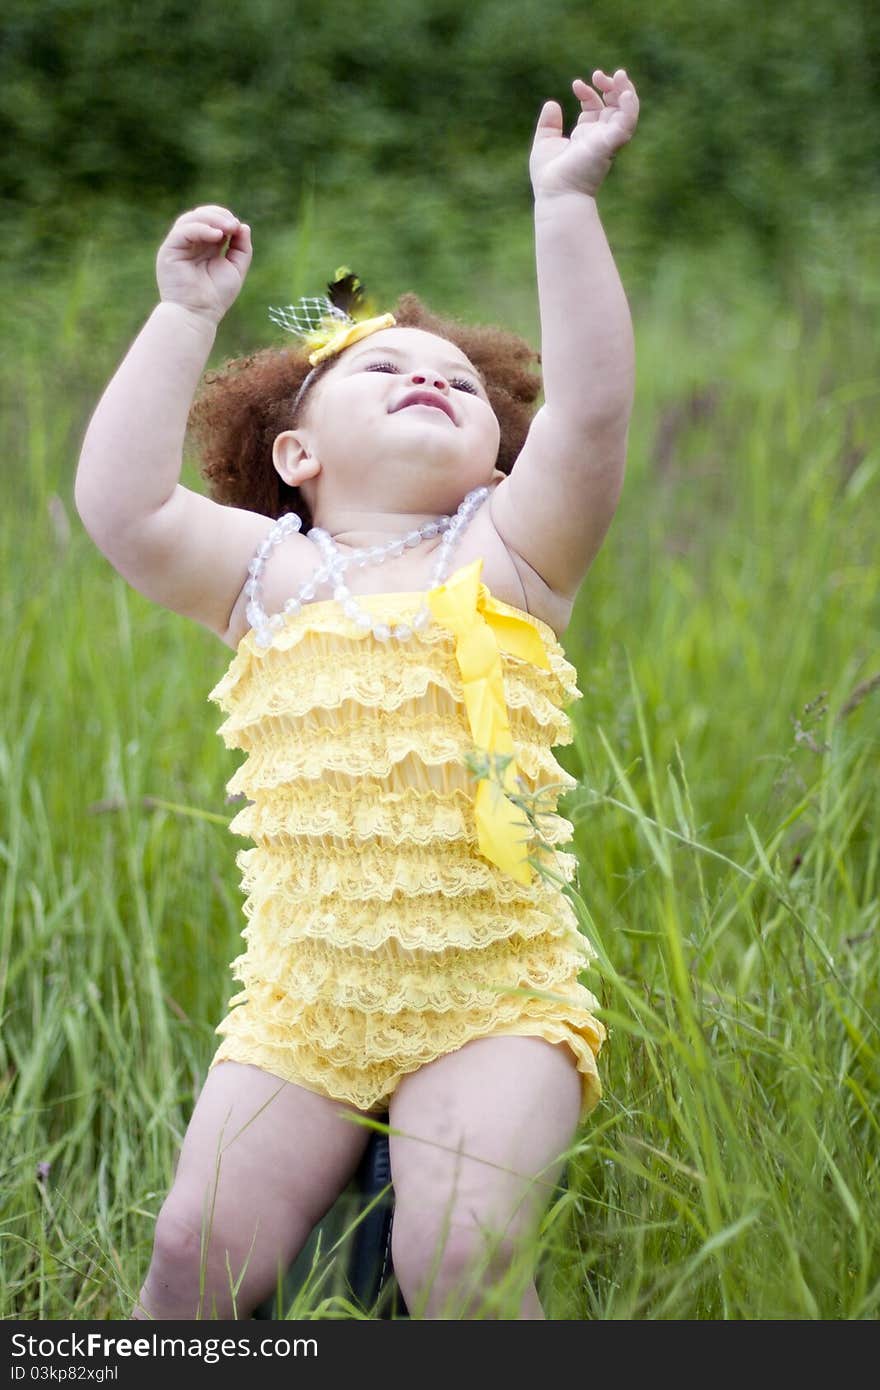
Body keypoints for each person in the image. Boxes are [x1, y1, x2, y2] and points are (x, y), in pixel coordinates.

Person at [75, 67, 638, 1320]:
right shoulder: (266, 570)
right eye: (386, 367)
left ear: (500, 452)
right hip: (302, 1002)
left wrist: (564, 204)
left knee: (458, 1260)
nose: (430, 375)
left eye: (457, 378)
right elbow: (120, 507)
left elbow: (592, 410)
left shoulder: (507, 553)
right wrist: (182, 314)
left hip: (492, 999)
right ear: (295, 450)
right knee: (193, 1254)